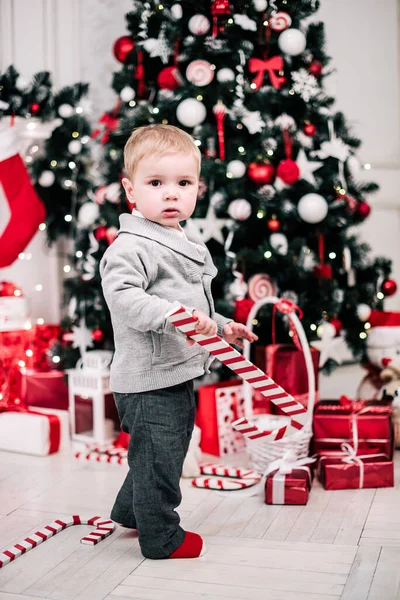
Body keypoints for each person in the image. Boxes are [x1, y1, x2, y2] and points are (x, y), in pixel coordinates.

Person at [100, 124, 258, 560]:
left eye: (183, 183)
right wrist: (176, 317)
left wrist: (222, 325)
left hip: (176, 371)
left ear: (197, 188)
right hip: (148, 380)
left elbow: (193, 303)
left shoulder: (179, 239)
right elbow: (127, 300)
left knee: (158, 451)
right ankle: (161, 537)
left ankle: (131, 511)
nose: (172, 195)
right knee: (160, 458)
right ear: (130, 191)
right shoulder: (131, 246)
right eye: (156, 183)